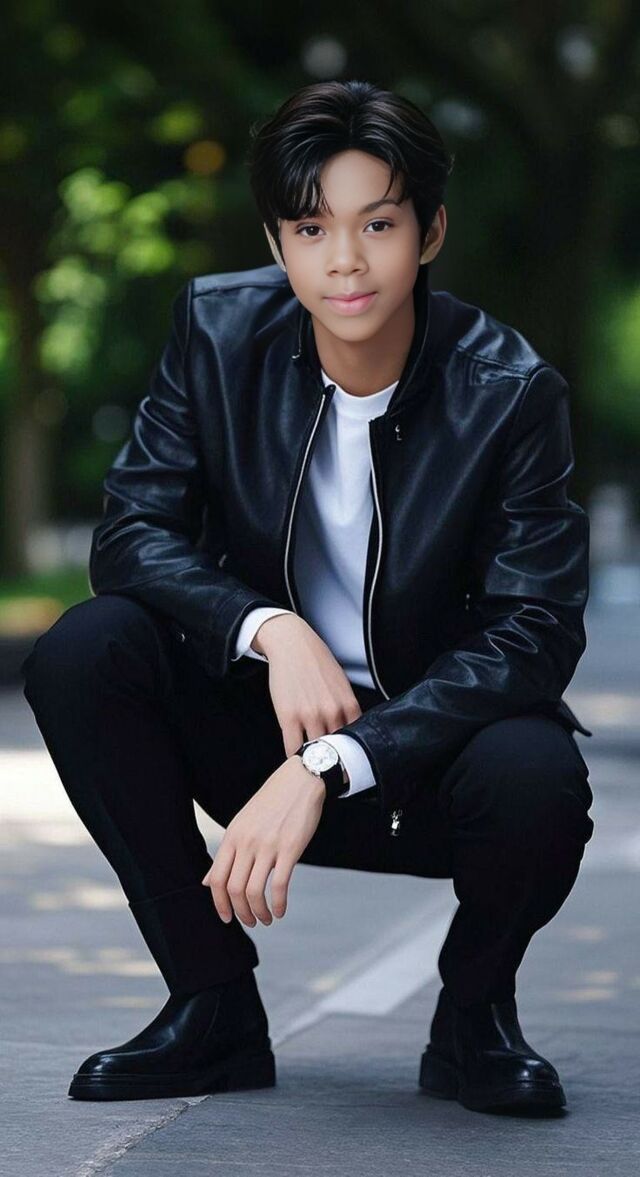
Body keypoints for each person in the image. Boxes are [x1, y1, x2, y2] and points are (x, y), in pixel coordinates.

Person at [22, 79, 594, 1115]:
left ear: (429, 233)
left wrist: (335, 759)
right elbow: (132, 533)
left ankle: (474, 1018)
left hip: (421, 760)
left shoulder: (508, 392)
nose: (345, 261)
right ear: (276, 242)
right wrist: (270, 629)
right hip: (257, 727)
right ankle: (211, 1006)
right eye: (311, 227)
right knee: (85, 649)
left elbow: (534, 630)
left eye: (378, 223)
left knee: (538, 773)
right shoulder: (216, 332)